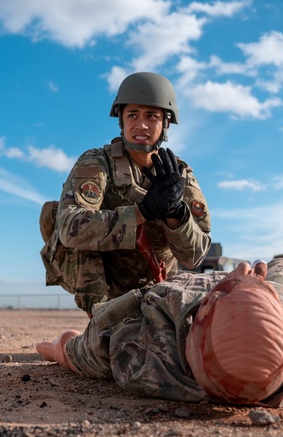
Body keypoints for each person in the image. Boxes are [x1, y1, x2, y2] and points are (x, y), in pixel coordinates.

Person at [36, 258, 283, 407]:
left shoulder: (139, 346)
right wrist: (260, 288)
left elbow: (74, 348)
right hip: (275, 298)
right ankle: (262, 289)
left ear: (207, 307)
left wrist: (53, 348)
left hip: (190, 294)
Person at [39, 72, 212, 316]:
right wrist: (142, 212)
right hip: (105, 279)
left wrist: (175, 213)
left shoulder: (179, 175)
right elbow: (69, 227)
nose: (141, 125)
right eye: (133, 115)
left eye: (151, 116)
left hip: (156, 279)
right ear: (121, 121)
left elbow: (194, 256)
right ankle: (102, 323)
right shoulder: (97, 163)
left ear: (166, 124)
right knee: (71, 230)